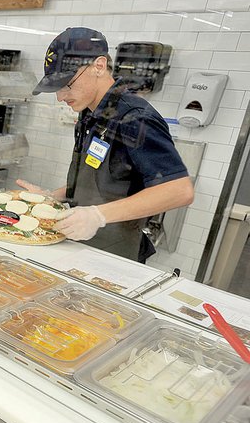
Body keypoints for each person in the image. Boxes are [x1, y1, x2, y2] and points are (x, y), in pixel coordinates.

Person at [23, 27, 194, 262]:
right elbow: (98, 178)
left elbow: (179, 190)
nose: (60, 97)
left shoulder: (134, 117)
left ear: (99, 66)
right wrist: (51, 197)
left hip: (116, 252)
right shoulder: (90, 113)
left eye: (67, 84)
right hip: (81, 246)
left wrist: (97, 216)